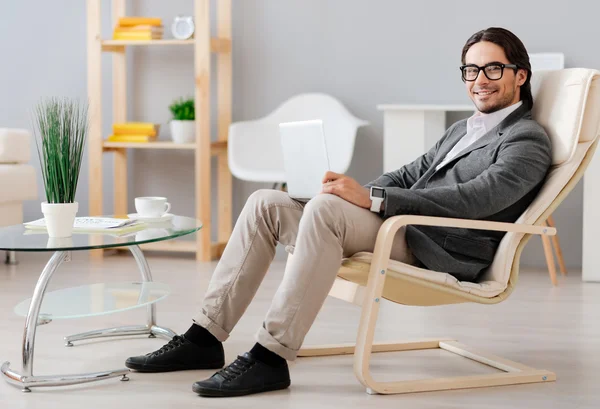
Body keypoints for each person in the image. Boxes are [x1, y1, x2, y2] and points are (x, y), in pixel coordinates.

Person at [125, 27, 552, 398]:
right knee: (265, 204)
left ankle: (271, 356)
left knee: (327, 213)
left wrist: (376, 203)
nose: (480, 80)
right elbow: (408, 173)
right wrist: (357, 192)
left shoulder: (526, 139)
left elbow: (475, 200)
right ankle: (204, 336)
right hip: (402, 227)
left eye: (493, 69)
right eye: (471, 70)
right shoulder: (462, 129)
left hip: (439, 245)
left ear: (520, 75)